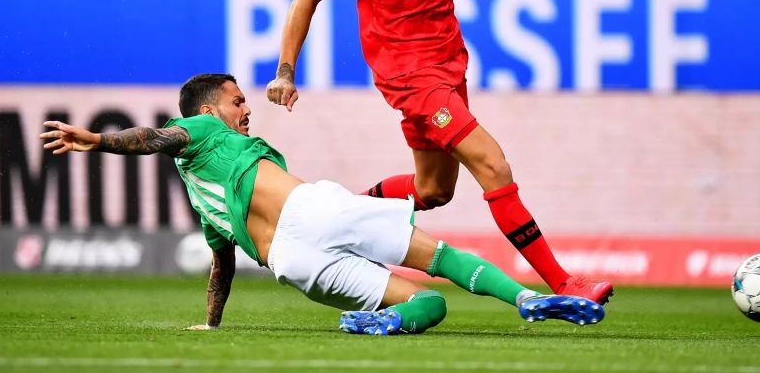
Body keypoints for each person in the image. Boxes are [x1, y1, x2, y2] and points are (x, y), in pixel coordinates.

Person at [265, 0, 612, 304]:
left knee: (433, 190)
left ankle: (339, 217)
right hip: (409, 75)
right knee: (493, 166)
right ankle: (564, 283)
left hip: (447, 63)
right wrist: (285, 71)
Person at [39, 73, 605, 335]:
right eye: (237, 102)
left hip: (294, 266)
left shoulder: (203, 199)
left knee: (428, 307)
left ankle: (368, 325)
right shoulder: (200, 129)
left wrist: (211, 325)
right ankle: (529, 300)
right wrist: (95, 139)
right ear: (208, 110)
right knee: (439, 258)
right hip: (312, 210)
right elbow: (154, 139)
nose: (246, 110)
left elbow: (222, 265)